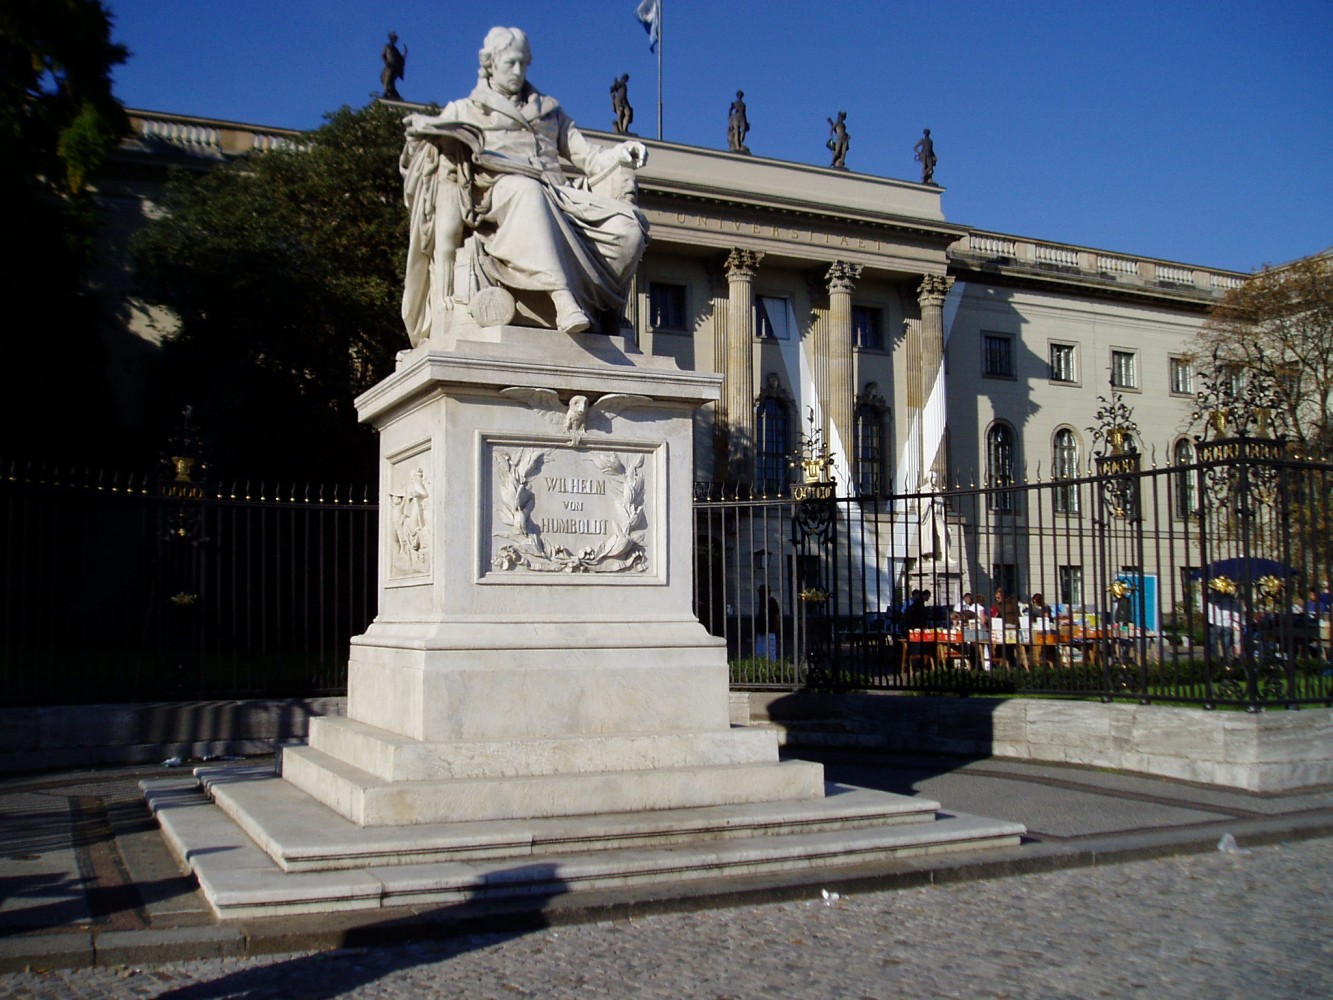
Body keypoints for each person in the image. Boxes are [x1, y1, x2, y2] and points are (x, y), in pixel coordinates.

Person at [400, 27, 650, 346]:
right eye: (510, 64)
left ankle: (605, 307)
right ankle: (562, 299)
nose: (518, 71)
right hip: (494, 198)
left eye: (523, 64)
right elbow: (423, 163)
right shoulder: (464, 110)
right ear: (490, 64)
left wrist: (620, 153)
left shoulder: (549, 110)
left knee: (629, 225)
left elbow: (587, 156)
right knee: (527, 191)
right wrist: (419, 136)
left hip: (559, 198)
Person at [755, 585, 782, 659]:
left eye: (761, 592)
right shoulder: (762, 602)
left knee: (770, 654)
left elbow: (776, 617)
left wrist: (775, 628)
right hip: (761, 631)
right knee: (760, 654)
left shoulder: (772, 602)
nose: (759, 594)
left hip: (769, 631)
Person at [381, 32, 406, 101]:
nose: (395, 41)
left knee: (391, 80)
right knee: (388, 78)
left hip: (395, 67)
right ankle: (387, 91)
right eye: (394, 39)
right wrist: (386, 63)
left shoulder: (395, 49)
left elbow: (400, 59)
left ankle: (390, 91)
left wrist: (404, 53)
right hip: (390, 65)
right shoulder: (387, 46)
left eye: (395, 39)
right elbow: (383, 55)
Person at [728, 90, 751, 154]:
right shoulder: (735, 103)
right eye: (739, 95)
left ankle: (740, 141)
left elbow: (744, 113)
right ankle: (737, 146)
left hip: (742, 117)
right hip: (736, 117)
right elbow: (730, 110)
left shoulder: (744, 104)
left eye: (740, 95)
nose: (739, 96)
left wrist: (746, 122)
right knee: (736, 131)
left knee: (743, 130)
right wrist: (731, 112)